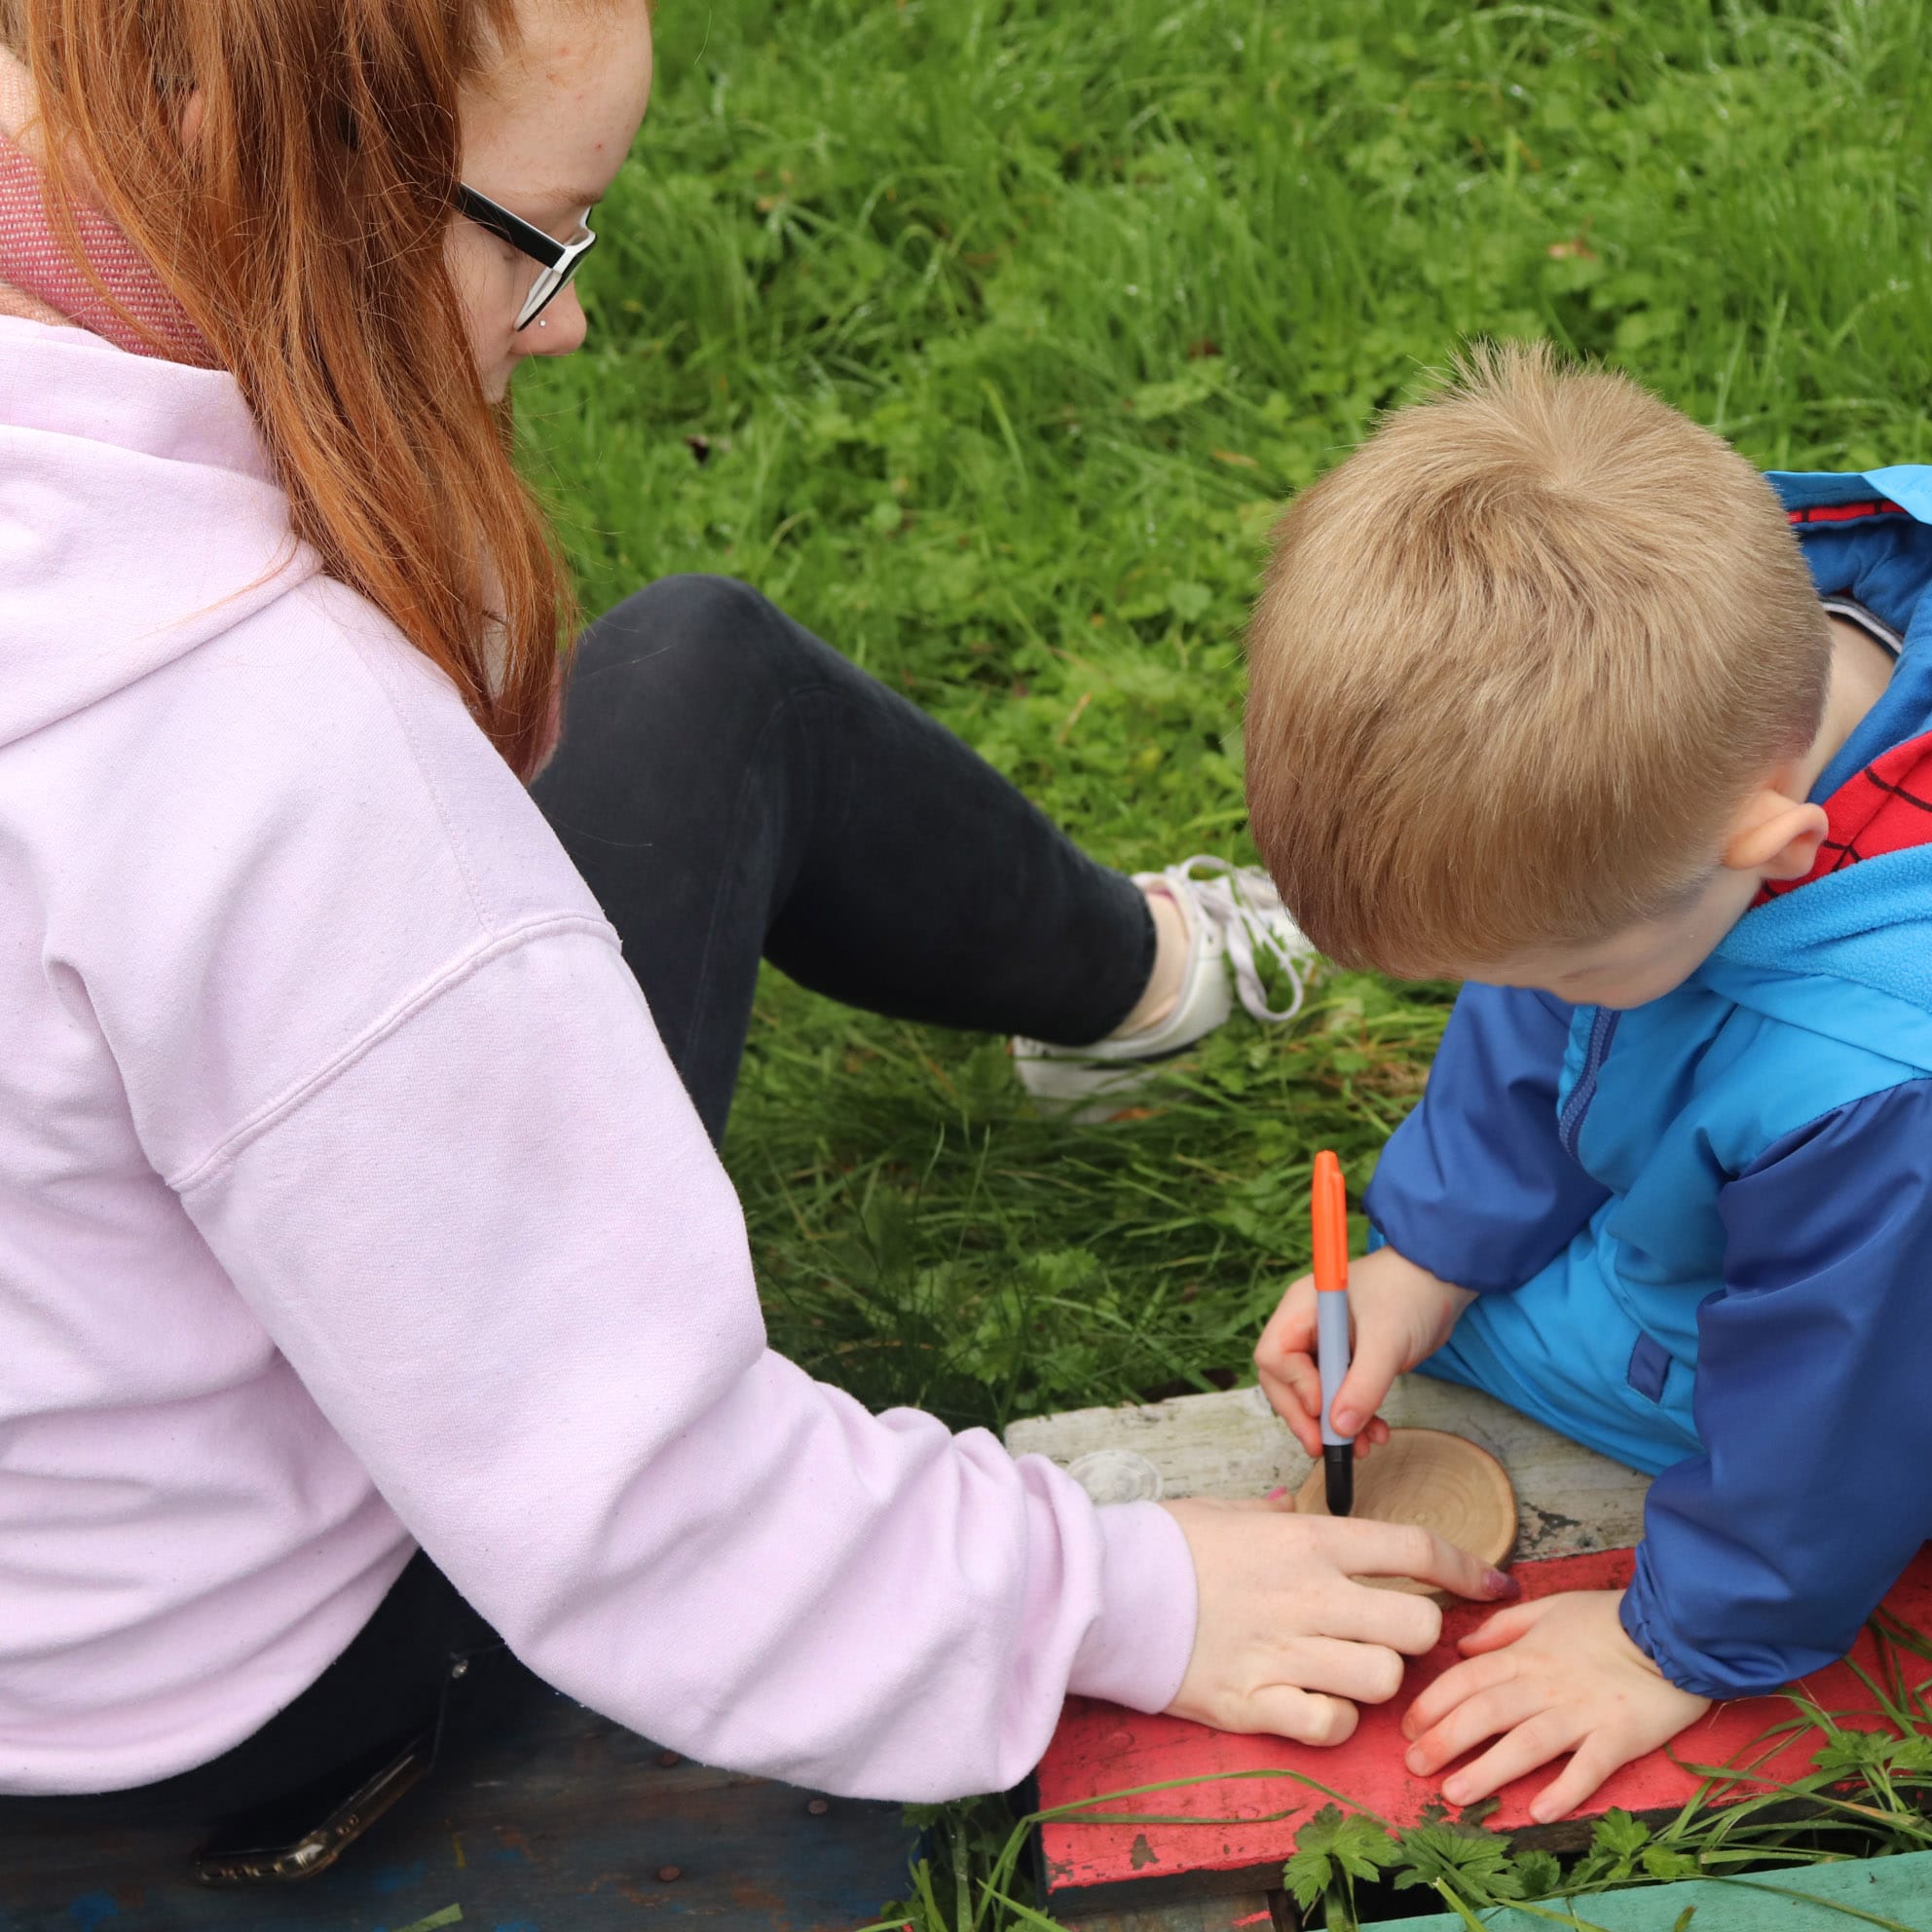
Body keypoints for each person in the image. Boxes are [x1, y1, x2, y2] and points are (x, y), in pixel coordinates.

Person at [0, 0, 1512, 1838]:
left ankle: (1148, 974)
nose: (567, 319)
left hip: (57, 1558)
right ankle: (1163, 974)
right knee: (715, 674)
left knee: (697, 674)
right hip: (235, 1684)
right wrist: (1126, 1595)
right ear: (310, 180)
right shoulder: (275, 764)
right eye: (540, 233)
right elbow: (631, 1496)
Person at [1246, 342, 1932, 1824]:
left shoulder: (1885, 1085)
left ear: (1767, 854)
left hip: (1894, 1284)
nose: (1520, 998)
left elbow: (1846, 1383)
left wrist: (1672, 1640)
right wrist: (1430, 1250)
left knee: (1801, 1379)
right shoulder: (1682, 684)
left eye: (1554, 970)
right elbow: (1534, 1001)